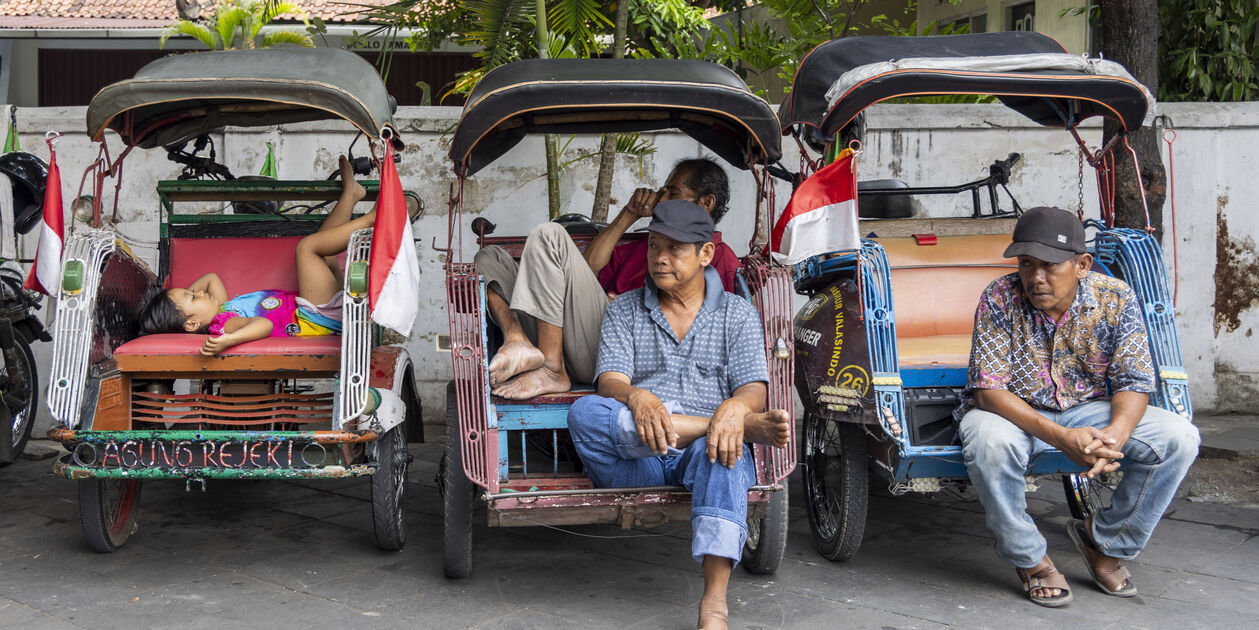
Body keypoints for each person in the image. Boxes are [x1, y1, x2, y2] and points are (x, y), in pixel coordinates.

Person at [956, 206, 1200, 607]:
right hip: (1013, 411)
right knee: (987, 441)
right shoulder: (1000, 295)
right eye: (1026, 264)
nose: (1035, 277)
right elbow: (987, 391)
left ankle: (1105, 540)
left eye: (1050, 265)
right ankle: (1031, 560)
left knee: (1180, 438)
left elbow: (1135, 381)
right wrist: (1061, 437)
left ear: (1082, 264)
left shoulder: (1115, 298)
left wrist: (1115, 435)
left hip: (1088, 409)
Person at [566, 200, 791, 630]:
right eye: (654, 247)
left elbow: (754, 388)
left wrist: (737, 407)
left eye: (674, 249)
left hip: (702, 456)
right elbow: (609, 381)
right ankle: (719, 427)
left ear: (705, 254)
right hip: (637, 459)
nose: (660, 258)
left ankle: (714, 605)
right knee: (584, 414)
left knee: (726, 455)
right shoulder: (625, 309)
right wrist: (639, 398)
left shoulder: (737, 314)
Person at [474, 158, 742, 400]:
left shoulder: (720, 258)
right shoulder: (645, 246)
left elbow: (709, 333)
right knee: (489, 258)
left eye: (672, 193)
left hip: (619, 359)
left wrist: (628, 307)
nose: (660, 198)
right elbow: (589, 267)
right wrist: (629, 213)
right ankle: (516, 338)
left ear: (705, 203)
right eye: (662, 191)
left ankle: (552, 370)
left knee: (549, 236)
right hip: (564, 337)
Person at [138, 156, 370, 356]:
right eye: (194, 297)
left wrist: (189, 299)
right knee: (307, 248)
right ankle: (372, 219)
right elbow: (264, 325)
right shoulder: (224, 324)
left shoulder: (221, 307)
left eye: (193, 292)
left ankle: (350, 195)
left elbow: (211, 278)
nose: (199, 291)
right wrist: (229, 340)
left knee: (326, 253)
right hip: (315, 318)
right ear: (192, 323)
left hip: (317, 309)